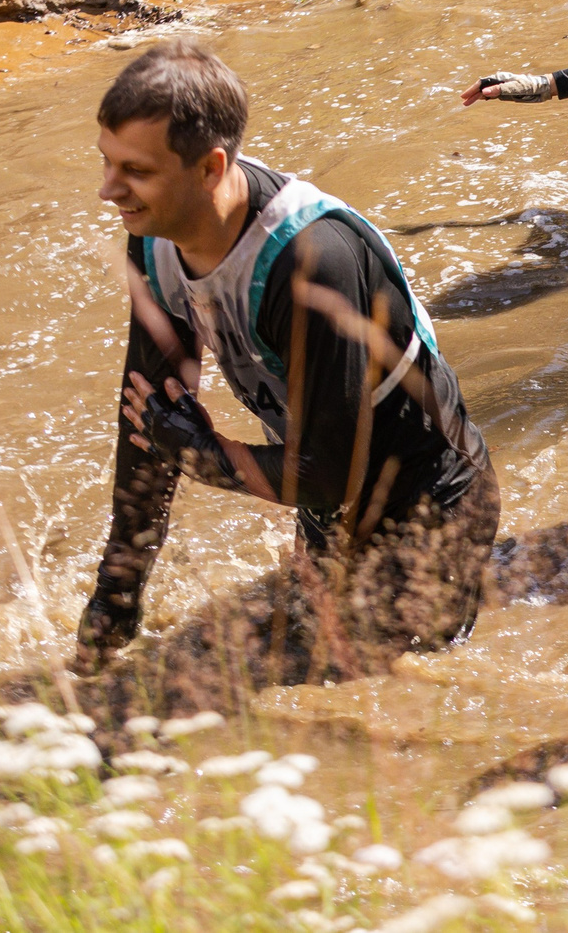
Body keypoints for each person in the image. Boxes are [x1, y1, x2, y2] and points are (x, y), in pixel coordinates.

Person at [77, 40, 496, 675]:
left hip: (429, 504)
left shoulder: (309, 261)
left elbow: (332, 473)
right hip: (329, 502)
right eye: (107, 163)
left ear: (211, 168)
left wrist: (203, 455)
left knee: (382, 689)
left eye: (134, 171)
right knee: (283, 655)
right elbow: (145, 417)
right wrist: (117, 596)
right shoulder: (154, 238)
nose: (109, 190)